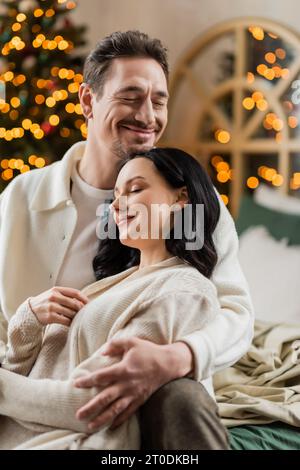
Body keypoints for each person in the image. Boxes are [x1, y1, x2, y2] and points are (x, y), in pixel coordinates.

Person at [0, 30, 253, 450]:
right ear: (87, 101)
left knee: (179, 396)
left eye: (159, 99)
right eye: (131, 96)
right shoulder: (20, 200)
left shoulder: (194, 208)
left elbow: (235, 311)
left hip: (148, 390)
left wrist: (180, 356)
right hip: (35, 389)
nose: (148, 115)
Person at [0, 147, 228, 450]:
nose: (117, 205)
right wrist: (27, 320)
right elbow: (22, 374)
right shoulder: (111, 284)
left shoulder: (185, 290)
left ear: (180, 198)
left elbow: (93, 404)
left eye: (134, 190)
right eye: (115, 195)